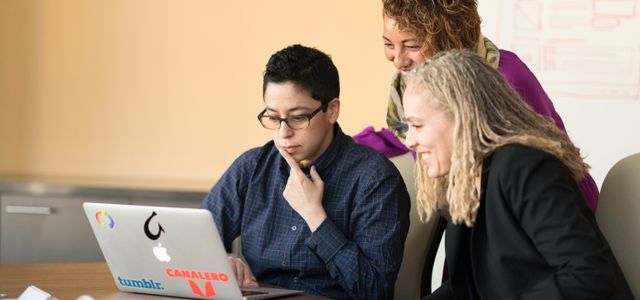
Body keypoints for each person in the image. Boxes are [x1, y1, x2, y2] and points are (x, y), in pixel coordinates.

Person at [402, 50, 633, 299]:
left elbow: (590, 277)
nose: (409, 141)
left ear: (461, 117)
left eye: (417, 126)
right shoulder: (466, 181)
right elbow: (465, 291)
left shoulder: (526, 168)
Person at [201, 44, 410, 299]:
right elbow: (194, 240)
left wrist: (316, 217)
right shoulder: (253, 167)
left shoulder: (375, 180)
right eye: (273, 118)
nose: (283, 133)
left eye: (298, 117)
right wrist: (225, 262)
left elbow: (374, 290)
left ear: (332, 110)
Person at [381, 0, 599, 211]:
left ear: (447, 39)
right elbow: (411, 134)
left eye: (411, 45)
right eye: (388, 44)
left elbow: (541, 169)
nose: (398, 60)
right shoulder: (415, 84)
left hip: (553, 211)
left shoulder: (506, 78)